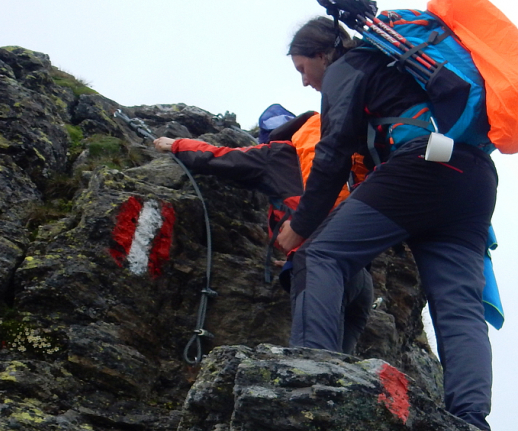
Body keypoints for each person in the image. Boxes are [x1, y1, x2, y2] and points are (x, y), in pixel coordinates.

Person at [276, 16, 498, 431]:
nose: (306, 82)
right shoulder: (400, 69)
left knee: (320, 255)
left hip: (421, 166)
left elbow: (333, 148)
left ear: (324, 55)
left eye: (304, 68)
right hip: (475, 178)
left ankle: (314, 373)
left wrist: (301, 224)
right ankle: (471, 420)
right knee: (459, 307)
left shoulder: (350, 65)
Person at [153, 110, 373, 354]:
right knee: (344, 365)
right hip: (360, 278)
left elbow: (220, 157)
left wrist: (176, 144)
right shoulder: (344, 158)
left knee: (314, 359)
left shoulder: (278, 153)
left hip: (319, 267)